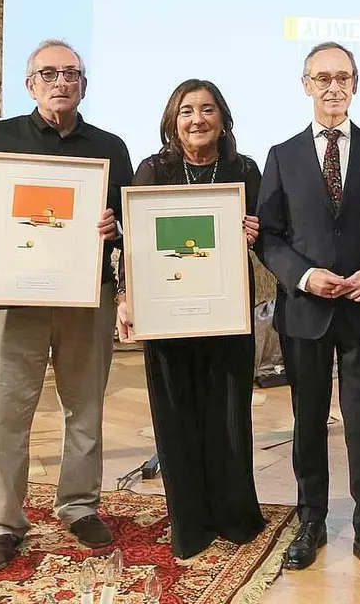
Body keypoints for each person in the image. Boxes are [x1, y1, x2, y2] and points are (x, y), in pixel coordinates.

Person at [0, 39, 133, 572]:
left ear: (84, 85)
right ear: (30, 85)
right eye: (48, 73)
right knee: (5, 412)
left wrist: (114, 227)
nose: (60, 82)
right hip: (9, 300)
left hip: (84, 298)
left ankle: (78, 505)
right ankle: (2, 522)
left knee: (86, 407)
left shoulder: (110, 147)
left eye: (71, 73)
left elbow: (127, 226)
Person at [256, 42, 360, 582]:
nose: (332, 87)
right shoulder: (281, 155)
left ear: (356, 84)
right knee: (307, 424)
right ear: (305, 84)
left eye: (342, 77)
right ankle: (311, 522)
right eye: (322, 77)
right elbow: (270, 238)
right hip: (305, 311)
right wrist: (302, 275)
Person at [115, 79, 266, 559]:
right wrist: (125, 298)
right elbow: (134, 247)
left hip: (226, 313)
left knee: (227, 414)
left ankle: (235, 515)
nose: (197, 119)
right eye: (186, 111)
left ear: (222, 118)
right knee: (176, 416)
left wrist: (256, 230)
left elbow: (267, 238)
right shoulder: (152, 170)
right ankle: (191, 523)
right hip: (168, 317)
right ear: (171, 120)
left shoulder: (246, 170)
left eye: (206, 109)